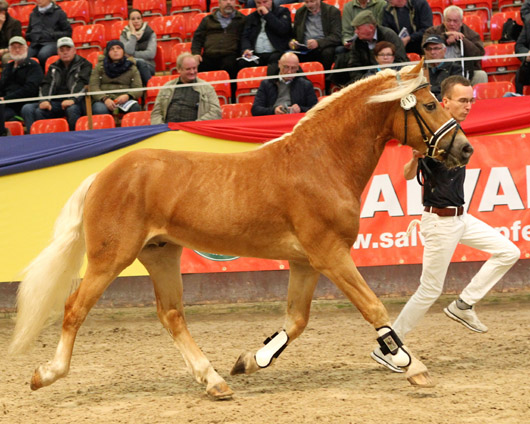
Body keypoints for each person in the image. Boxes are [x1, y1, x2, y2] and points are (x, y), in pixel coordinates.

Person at [370, 75, 520, 373]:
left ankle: (463, 305)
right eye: (462, 100)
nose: (468, 106)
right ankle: (387, 348)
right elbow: (409, 174)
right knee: (429, 290)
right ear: (445, 102)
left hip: (461, 217)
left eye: (471, 100)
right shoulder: (431, 133)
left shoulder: (452, 132)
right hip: (439, 221)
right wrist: (415, 158)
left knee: (508, 251)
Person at [21, 37, 92, 132]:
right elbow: (46, 84)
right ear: (58, 52)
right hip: (56, 102)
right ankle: (37, 139)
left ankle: (74, 138)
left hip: (76, 101)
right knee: (29, 108)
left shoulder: (84, 64)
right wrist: (44, 100)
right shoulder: (53, 66)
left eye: (68, 49)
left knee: (72, 109)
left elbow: (83, 83)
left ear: (74, 50)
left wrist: (72, 99)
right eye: (62, 50)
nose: (65, 52)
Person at [423, 5, 487, 85]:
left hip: (465, 71)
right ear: (443, 20)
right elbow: (424, 45)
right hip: (438, 71)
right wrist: (445, 37)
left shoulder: (471, 34)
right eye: (448, 20)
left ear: (461, 22)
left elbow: (479, 54)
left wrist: (461, 39)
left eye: (455, 21)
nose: (451, 24)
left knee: (481, 75)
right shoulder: (432, 31)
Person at [151, 53, 221, 124]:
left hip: (194, 130)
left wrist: (195, 125)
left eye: (194, 68)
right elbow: (156, 113)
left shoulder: (207, 88)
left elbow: (216, 112)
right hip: (168, 130)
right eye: (188, 69)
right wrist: (161, 128)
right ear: (179, 69)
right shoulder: (167, 87)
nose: (192, 72)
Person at [191, 0, 246, 82]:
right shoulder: (208, 20)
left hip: (230, 56)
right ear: (219, 3)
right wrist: (196, 53)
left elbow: (246, 38)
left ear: (235, 2)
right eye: (225, 0)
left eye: (231, 0)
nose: (228, 3)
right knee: (196, 67)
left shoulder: (242, 20)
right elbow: (197, 39)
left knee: (231, 65)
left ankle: (231, 94)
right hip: (209, 55)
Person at [346, 10, 408, 83]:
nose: (356, 32)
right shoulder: (357, 41)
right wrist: (364, 81)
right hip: (367, 80)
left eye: (358, 28)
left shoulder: (389, 35)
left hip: (392, 78)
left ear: (371, 27)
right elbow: (354, 67)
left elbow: (400, 61)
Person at [0, 36, 43, 136]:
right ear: (9, 50)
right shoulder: (8, 67)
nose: (17, 50)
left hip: (23, 104)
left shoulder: (33, 66)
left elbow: (30, 89)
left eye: (20, 47)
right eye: (14, 47)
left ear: (26, 49)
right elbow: (1, 86)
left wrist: (5, 99)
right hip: (7, 104)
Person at [251, 52, 318, 116]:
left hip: (295, 119)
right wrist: (273, 111)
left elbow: (316, 109)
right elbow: (255, 110)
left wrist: (301, 109)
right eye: (286, 67)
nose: (289, 72)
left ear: (298, 67)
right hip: (273, 118)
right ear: (279, 64)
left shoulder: (305, 85)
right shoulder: (266, 84)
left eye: (293, 68)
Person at [88, 40, 142, 116]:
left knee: (135, 108)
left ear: (123, 51)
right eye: (112, 49)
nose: (115, 50)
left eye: (118, 48)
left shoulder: (132, 67)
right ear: (108, 52)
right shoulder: (99, 67)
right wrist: (105, 99)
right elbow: (93, 87)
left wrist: (128, 96)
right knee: (99, 109)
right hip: (104, 100)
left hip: (125, 99)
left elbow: (138, 88)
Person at [239, 0, 291, 76]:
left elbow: (283, 30)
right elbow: (245, 36)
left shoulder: (282, 12)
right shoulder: (251, 17)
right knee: (242, 63)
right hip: (256, 55)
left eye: (265, 2)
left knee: (276, 61)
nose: (262, 6)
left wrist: (267, 15)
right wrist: (246, 49)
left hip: (275, 53)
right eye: (258, 3)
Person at [289, 0, 342, 71]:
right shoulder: (300, 12)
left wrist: (318, 43)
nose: (309, 5)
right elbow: (294, 35)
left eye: (312, 1)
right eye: (306, 2)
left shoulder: (332, 11)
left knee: (327, 53)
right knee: (289, 56)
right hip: (304, 47)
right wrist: (293, 42)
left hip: (323, 46)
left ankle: (325, 80)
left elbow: (336, 36)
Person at [25, 0, 72, 69]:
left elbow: (68, 32)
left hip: (52, 42)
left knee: (43, 54)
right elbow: (28, 33)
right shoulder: (33, 14)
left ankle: (45, 76)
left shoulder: (59, 13)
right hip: (35, 44)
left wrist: (51, 34)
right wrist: (31, 35)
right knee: (24, 56)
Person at [120, 9, 156, 86]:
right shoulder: (123, 34)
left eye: (138, 18)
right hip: (129, 65)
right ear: (129, 21)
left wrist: (133, 56)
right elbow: (128, 51)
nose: (136, 21)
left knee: (140, 63)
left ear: (142, 20)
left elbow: (151, 54)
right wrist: (133, 34)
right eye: (133, 19)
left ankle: (150, 91)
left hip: (148, 65)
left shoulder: (150, 33)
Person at [422, 35, 462, 100]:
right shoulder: (422, 69)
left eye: (436, 48)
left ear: (444, 50)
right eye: (429, 49)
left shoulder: (454, 68)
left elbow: (454, 90)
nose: (432, 52)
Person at [0, 0, 22, 66]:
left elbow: (16, 44)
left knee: (6, 58)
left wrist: (3, 51)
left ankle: (7, 76)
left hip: (10, 51)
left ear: (3, 12)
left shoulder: (15, 23)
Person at [515, 18, 530, 94]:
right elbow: (519, 46)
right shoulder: (529, 23)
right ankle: (519, 102)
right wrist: (527, 54)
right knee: (520, 73)